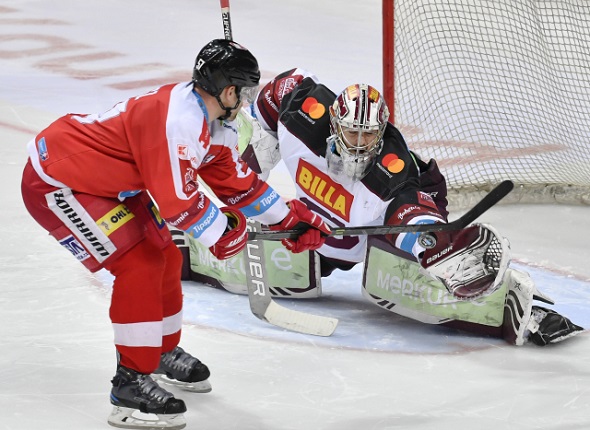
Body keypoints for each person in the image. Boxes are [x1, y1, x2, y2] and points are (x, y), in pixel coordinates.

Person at [20, 44, 330, 430]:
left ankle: (159, 351)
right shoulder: (179, 120)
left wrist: (290, 219)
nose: (247, 99)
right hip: (60, 182)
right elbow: (177, 204)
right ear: (229, 91)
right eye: (245, 90)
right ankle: (129, 385)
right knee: (140, 265)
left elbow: (235, 183)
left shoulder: (214, 121)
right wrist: (223, 234)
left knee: (164, 254)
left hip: (111, 183)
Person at [197, 67, 582, 348]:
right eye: (352, 131)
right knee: (274, 265)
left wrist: (431, 243)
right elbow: (277, 92)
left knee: (403, 279)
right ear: (333, 124)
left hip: (387, 213)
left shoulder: (390, 172)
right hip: (323, 219)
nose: (361, 142)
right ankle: (184, 251)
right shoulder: (303, 108)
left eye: (370, 134)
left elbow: (408, 213)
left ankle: (511, 304)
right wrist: (245, 144)